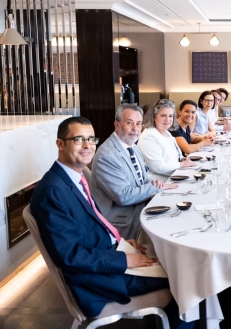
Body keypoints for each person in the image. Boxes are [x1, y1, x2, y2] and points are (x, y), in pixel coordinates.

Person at [30, 117, 193, 328]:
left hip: (110, 254)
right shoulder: (52, 191)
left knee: (178, 261)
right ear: (60, 144)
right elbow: (69, 255)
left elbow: (94, 223)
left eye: (91, 139)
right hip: (98, 280)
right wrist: (123, 260)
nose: (88, 145)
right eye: (78, 139)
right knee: (187, 278)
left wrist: (121, 241)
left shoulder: (74, 178)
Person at [91, 104, 178, 239]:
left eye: (138, 124)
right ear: (117, 124)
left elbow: (141, 179)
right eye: (129, 123)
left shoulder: (132, 146)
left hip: (139, 208)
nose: (135, 129)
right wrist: (154, 187)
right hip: (122, 223)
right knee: (171, 233)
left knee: (177, 212)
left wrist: (156, 183)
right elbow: (124, 196)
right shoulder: (107, 156)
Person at [137, 99, 196, 181]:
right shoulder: (149, 136)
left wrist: (183, 159)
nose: (167, 120)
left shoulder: (166, 132)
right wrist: (182, 164)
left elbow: (176, 155)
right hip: (159, 183)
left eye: (170, 116)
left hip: (174, 177)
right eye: (163, 115)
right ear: (154, 117)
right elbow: (159, 167)